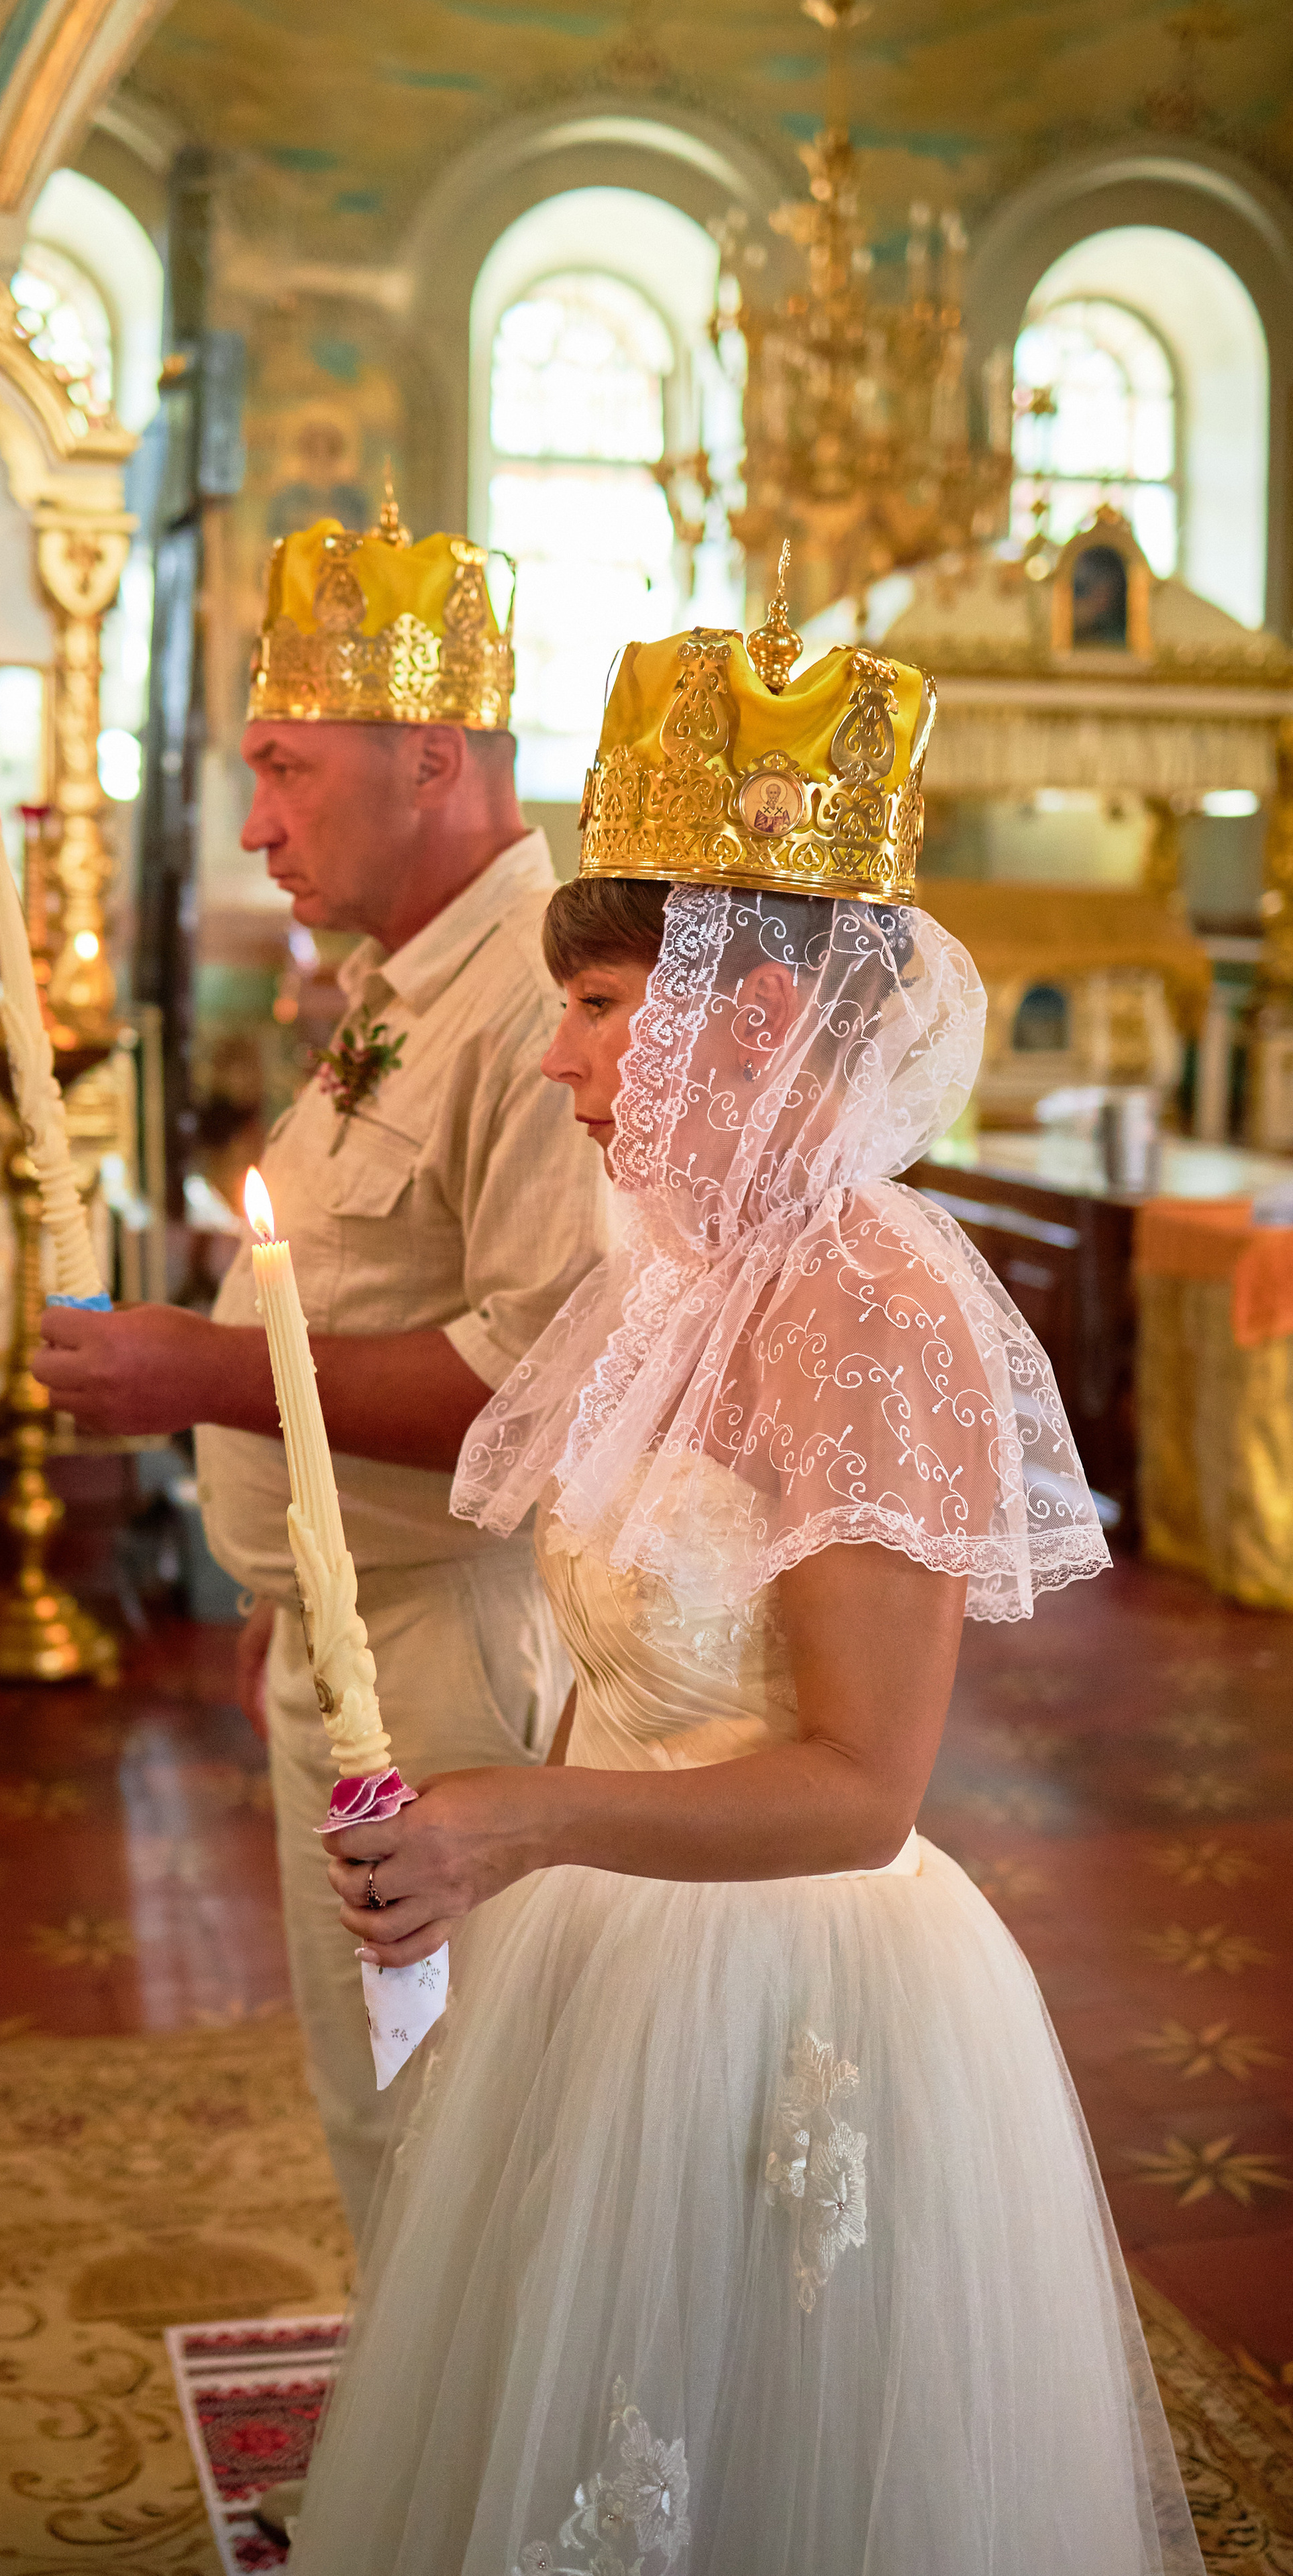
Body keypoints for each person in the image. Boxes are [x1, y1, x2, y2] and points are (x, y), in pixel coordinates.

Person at [291, 600, 1202, 2573]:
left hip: (780, 1971)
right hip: (601, 1939)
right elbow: (621, 1645)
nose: (558, 1060)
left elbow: (863, 1786)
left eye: (606, 1002)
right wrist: (487, 1852)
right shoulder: (690, 1280)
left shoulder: (870, 1312)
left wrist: (507, 1824)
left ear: (756, 1013)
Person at [33, 492, 609, 2232]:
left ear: (430, 756)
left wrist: (196, 1375)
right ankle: (414, 2475)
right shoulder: (398, 981)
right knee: (381, 2103)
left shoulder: (538, 996)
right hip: (360, 1627)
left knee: (470, 2118)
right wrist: (283, 1590)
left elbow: (537, 1393)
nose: (258, 825)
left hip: (453, 1644)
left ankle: (491, 2500)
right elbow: (366, 1283)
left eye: (286, 768)